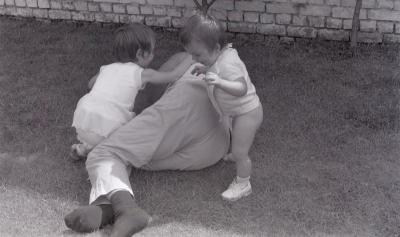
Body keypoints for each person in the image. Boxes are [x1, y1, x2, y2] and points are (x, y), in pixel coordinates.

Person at [64, 52, 230, 237]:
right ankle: (105, 208)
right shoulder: (224, 65)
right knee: (129, 155)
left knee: (103, 154)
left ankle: (128, 211)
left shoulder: (184, 58)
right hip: (215, 146)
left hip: (185, 106)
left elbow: (152, 95)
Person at [70, 23, 193, 160]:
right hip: (110, 125)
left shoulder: (106, 68)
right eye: (151, 52)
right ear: (140, 54)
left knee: (102, 131)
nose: (153, 55)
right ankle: (109, 154)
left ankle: (85, 147)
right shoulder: (141, 73)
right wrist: (192, 56)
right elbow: (173, 75)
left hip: (84, 120)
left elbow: (90, 84)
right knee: (137, 127)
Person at [180, 14, 263, 201]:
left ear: (217, 48)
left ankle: (243, 184)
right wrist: (206, 69)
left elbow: (241, 88)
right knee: (237, 141)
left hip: (247, 113)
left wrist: (219, 82)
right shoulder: (219, 57)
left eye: (198, 55)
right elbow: (215, 66)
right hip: (237, 112)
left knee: (242, 152)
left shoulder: (229, 63)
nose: (194, 59)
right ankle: (236, 151)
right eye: (192, 55)